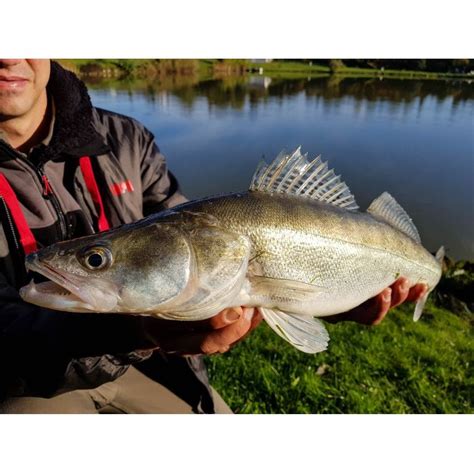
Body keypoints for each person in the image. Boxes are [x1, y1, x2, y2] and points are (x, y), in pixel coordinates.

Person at [0, 59, 427, 414]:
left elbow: (176, 226)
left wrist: (332, 298)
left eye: (96, 259)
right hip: (28, 381)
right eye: (97, 260)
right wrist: (133, 331)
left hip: (161, 367)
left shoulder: (125, 139)